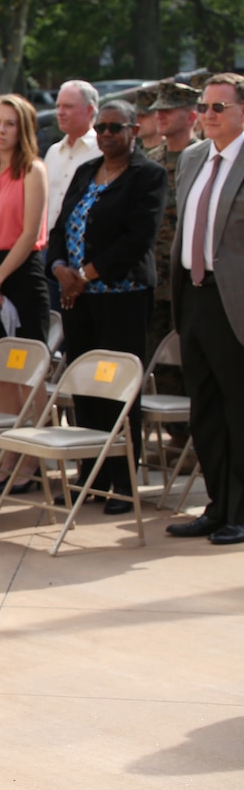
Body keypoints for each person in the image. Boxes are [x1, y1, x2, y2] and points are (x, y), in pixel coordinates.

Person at [47, 99, 168, 514]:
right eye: (101, 128)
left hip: (121, 296)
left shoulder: (148, 175)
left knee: (117, 389)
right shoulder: (85, 171)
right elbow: (61, 226)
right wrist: (61, 267)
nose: (106, 135)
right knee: (85, 386)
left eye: (116, 128)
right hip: (77, 298)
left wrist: (88, 273)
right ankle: (90, 476)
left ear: (134, 130)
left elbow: (139, 238)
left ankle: (121, 478)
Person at [166, 73, 244, 545]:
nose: (208, 115)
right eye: (205, 106)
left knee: (240, 410)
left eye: (219, 107)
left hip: (234, 303)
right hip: (193, 297)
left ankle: (241, 511)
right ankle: (216, 507)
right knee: (205, 411)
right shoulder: (193, 158)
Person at [0, 94, 50, 492]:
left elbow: (30, 234)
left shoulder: (33, 171)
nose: (0, 130)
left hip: (21, 275)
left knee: (28, 372)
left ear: (23, 129)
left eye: (9, 123)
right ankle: (9, 455)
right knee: (4, 374)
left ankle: (33, 458)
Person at [144, 81, 199, 388]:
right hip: (155, 279)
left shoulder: (205, 157)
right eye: (157, 111)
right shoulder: (150, 162)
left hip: (190, 280)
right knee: (158, 364)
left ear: (191, 117)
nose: (159, 116)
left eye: (168, 110)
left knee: (192, 358)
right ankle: (174, 435)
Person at [43, 80, 102, 234]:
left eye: (68, 106)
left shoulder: (102, 151)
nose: (60, 112)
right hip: (49, 246)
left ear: (89, 110)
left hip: (83, 247)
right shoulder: (53, 152)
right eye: (58, 106)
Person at [135, 85, 163, 151]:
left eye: (143, 116)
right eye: (135, 115)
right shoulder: (131, 154)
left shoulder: (173, 150)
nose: (137, 120)